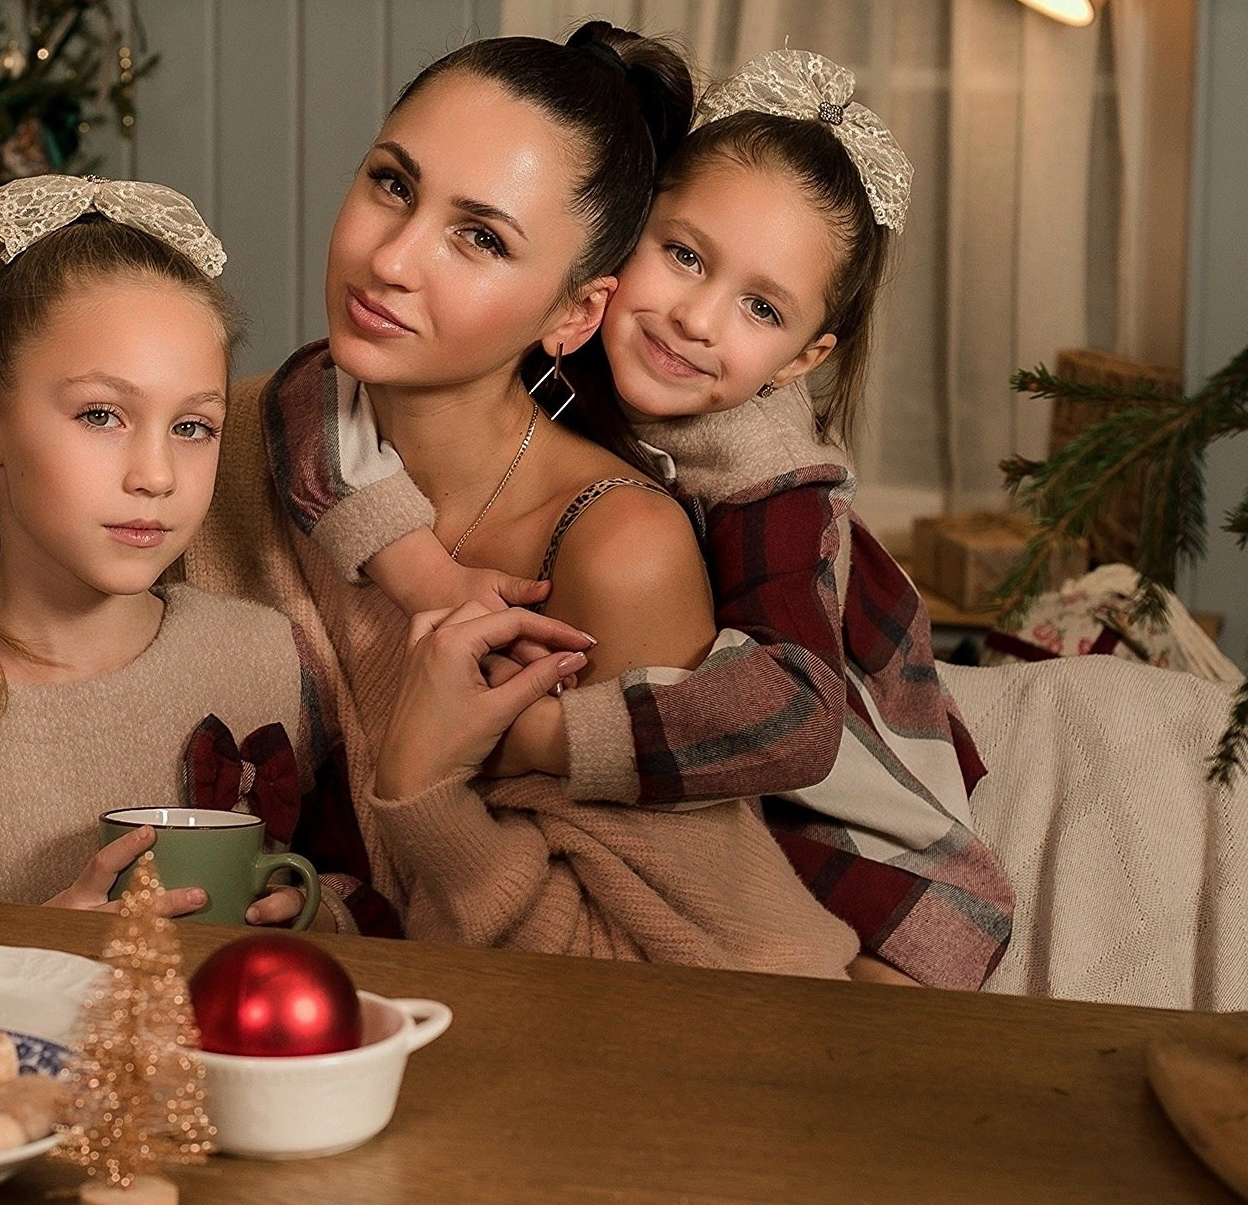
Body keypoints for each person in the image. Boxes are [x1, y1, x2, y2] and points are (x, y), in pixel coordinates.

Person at [263, 49, 1014, 989]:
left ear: (800, 359)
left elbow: (797, 721)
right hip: (710, 783)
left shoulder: (772, 473)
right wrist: (429, 576)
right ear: (617, 256)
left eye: (760, 307)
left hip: (855, 821)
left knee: (859, 1021)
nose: (696, 317)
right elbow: (307, 390)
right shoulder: (580, 350)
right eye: (684, 255)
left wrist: (538, 736)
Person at [183, 22, 860, 975]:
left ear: (575, 312)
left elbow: (664, 973)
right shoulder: (231, 437)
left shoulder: (618, 548)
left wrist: (425, 789)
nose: (392, 260)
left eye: (481, 237)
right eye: (393, 184)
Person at [0, 177, 568, 929]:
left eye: (193, 426)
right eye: (102, 415)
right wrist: (32, 945)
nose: (156, 474)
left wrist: (316, 915)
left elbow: (362, 889)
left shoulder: (271, 662)